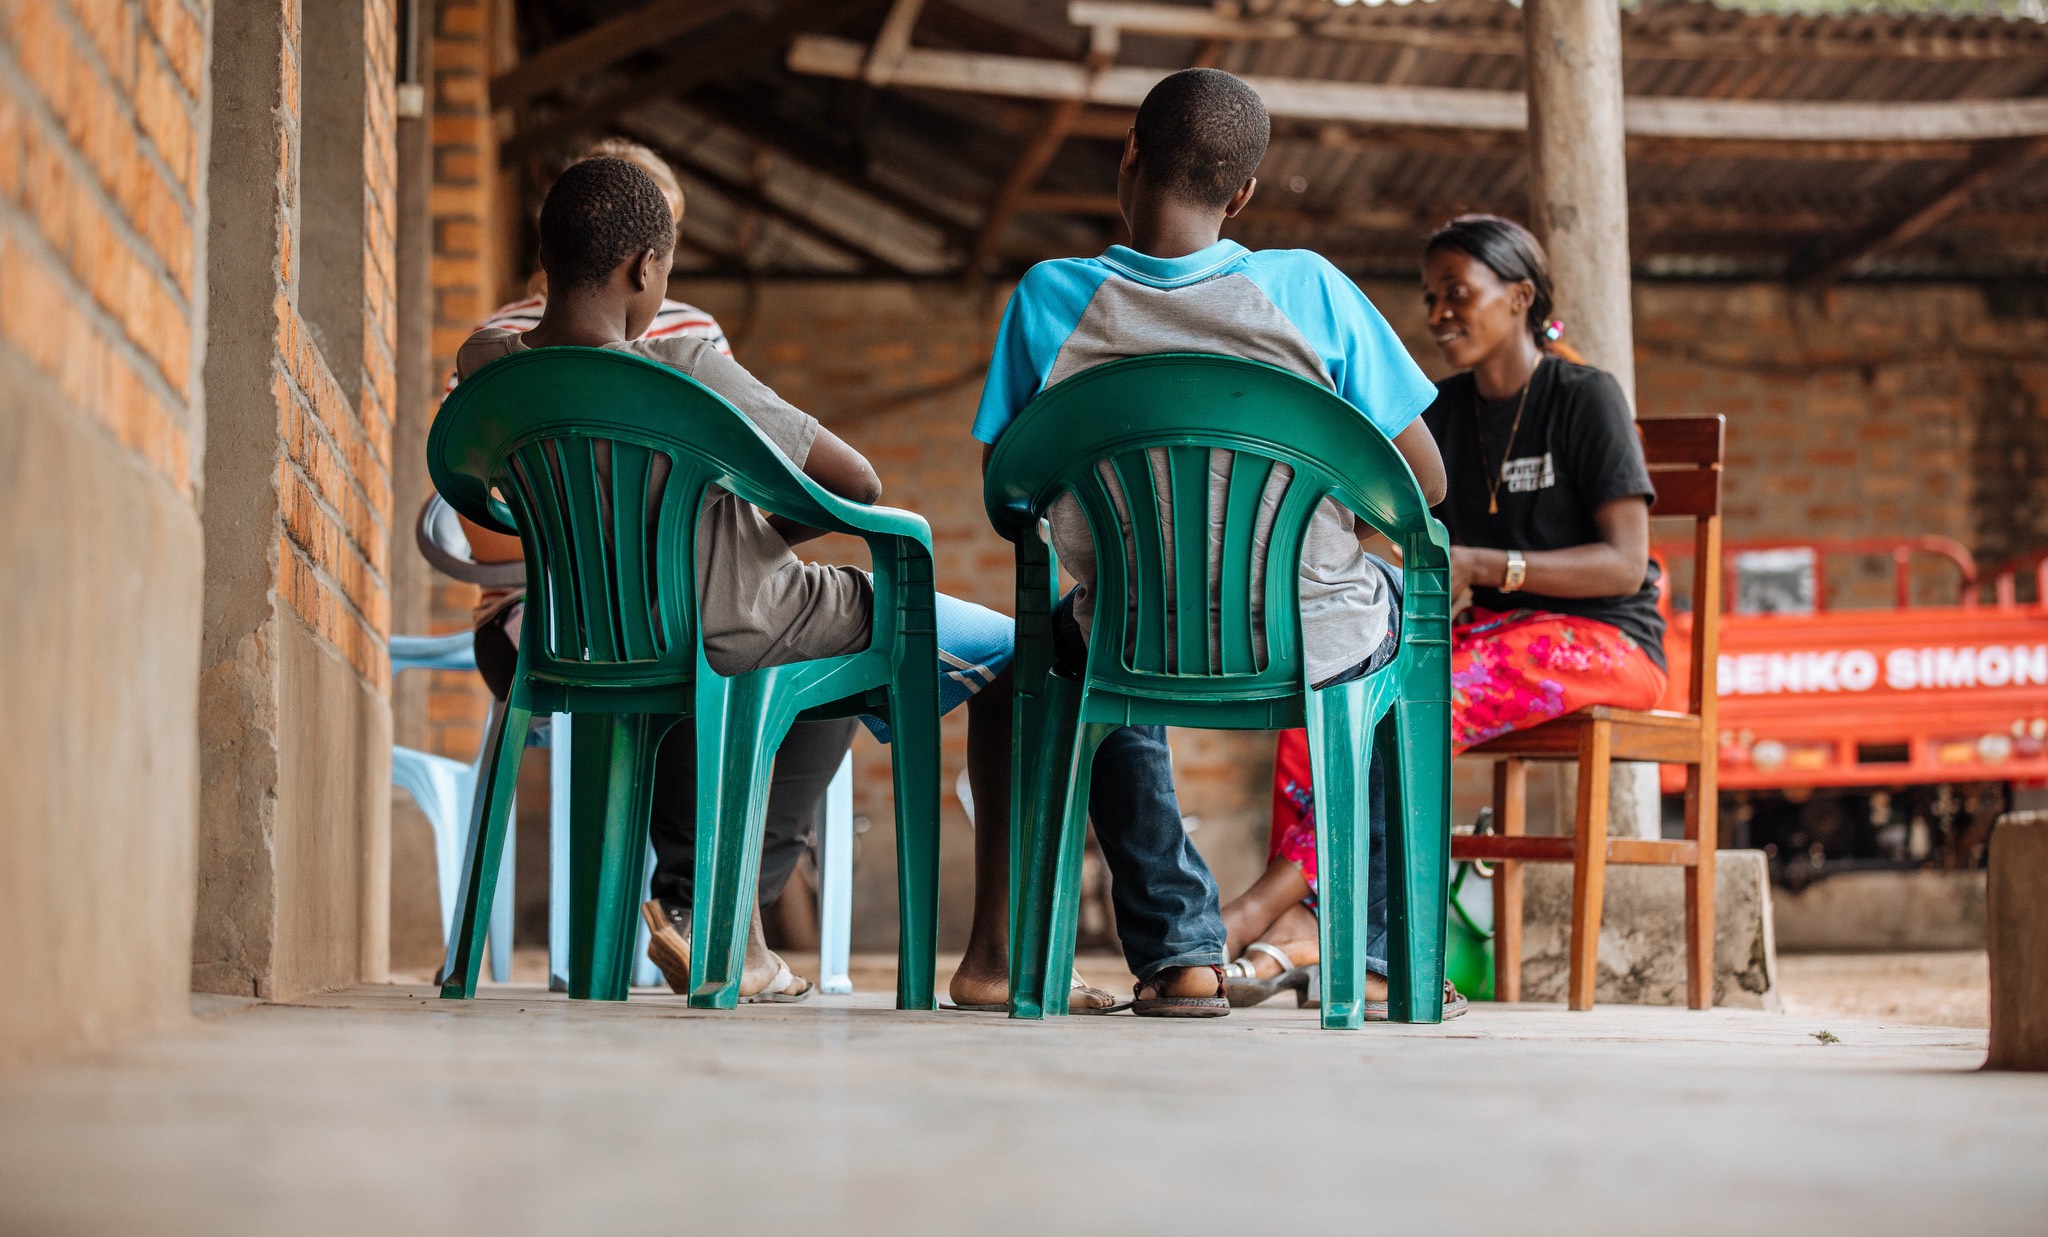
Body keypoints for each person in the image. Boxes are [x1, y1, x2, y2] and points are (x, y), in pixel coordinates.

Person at [455, 156, 1101, 1010]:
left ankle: (737, 935)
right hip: (746, 621)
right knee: (1020, 654)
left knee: (791, 689)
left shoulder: (486, 364)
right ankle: (994, 958)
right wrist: (745, 534)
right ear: (645, 267)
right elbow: (857, 483)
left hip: (584, 632)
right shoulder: (685, 366)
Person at [972, 69, 1447, 1016]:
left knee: (1081, 645)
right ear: (1243, 197)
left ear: (1129, 157)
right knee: (1404, 625)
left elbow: (1006, 499)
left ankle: (1181, 953)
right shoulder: (1311, 291)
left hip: (1133, 632)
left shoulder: (1049, 300)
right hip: (1316, 636)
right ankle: (1387, 957)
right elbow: (1424, 486)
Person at [1222, 213, 1667, 1014]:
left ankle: (1261, 911)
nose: (1438, 314)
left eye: (1457, 293)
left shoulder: (1585, 396)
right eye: (1430, 297)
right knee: (1329, 686)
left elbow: (1627, 561)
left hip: (1603, 639)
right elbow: (1378, 522)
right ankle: (1315, 927)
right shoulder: (1443, 413)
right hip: (1486, 637)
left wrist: (1490, 565)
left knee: (1419, 702)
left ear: (1521, 297)